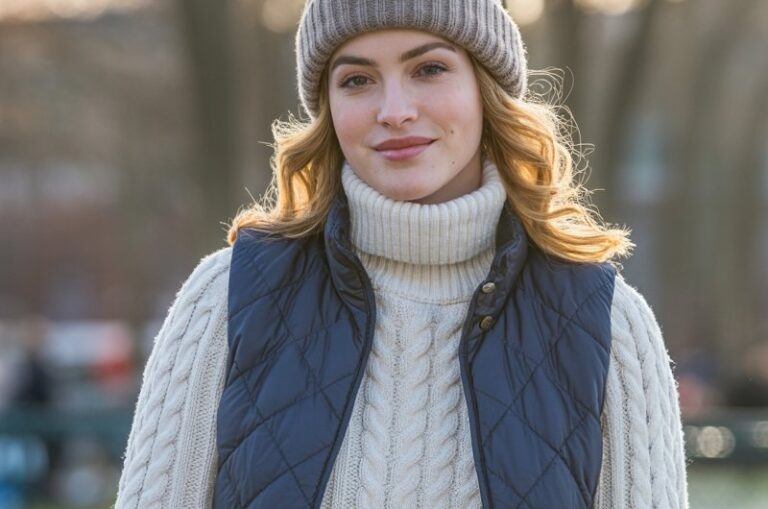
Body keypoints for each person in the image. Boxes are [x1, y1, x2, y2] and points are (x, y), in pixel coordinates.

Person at [115, 1, 689, 507]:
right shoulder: (227, 299)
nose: (394, 110)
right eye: (357, 80)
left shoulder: (606, 326)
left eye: (429, 69)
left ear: (485, 89)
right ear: (328, 109)